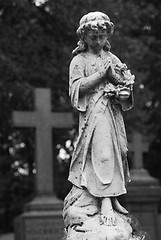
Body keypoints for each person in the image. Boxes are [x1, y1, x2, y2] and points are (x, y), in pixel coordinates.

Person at [64, 11, 135, 228]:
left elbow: (125, 88)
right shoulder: (79, 60)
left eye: (102, 37)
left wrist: (121, 91)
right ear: (83, 37)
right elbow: (76, 88)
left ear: (107, 36)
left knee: (118, 152)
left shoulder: (112, 59)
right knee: (102, 154)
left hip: (112, 113)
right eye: (93, 37)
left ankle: (112, 197)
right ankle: (104, 201)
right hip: (94, 114)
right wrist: (100, 76)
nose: (98, 41)